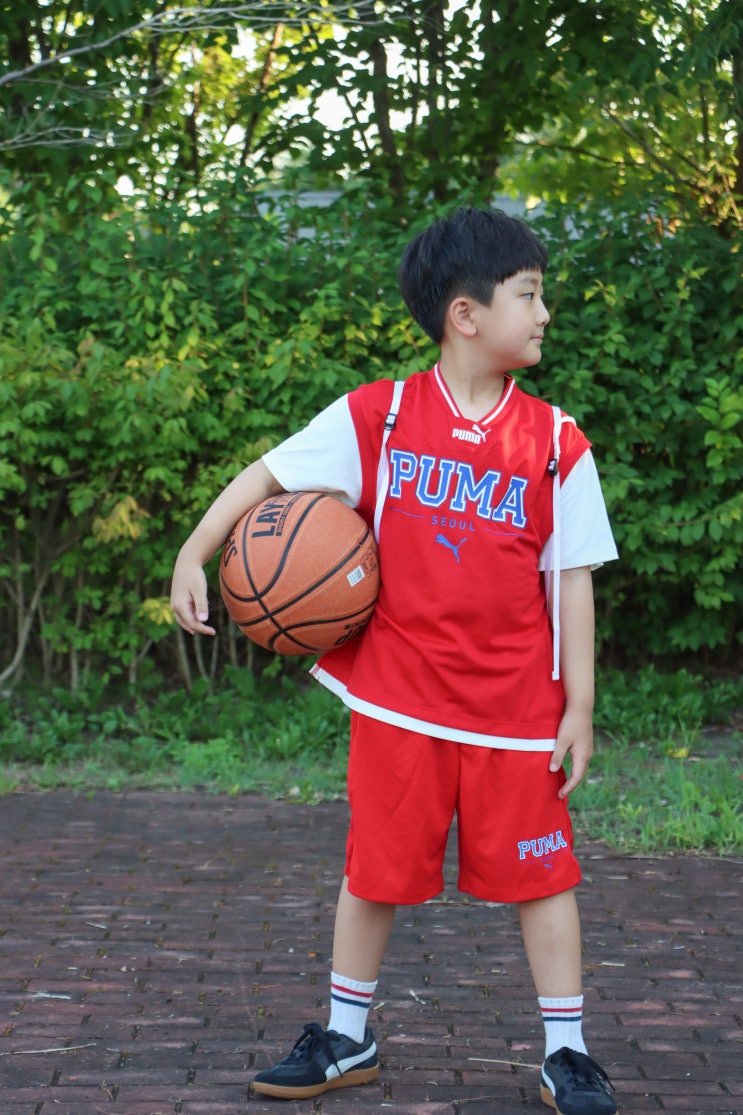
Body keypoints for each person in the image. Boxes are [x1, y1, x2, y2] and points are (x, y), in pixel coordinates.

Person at [170, 207, 619, 1115]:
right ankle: (347, 1035)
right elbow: (269, 473)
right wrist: (194, 549)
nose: (543, 313)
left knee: (543, 878)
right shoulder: (380, 415)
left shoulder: (554, 443)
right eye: (529, 295)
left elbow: (570, 580)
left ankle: (566, 1052)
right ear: (466, 314)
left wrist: (577, 707)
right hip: (398, 699)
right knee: (372, 870)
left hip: (512, 709)